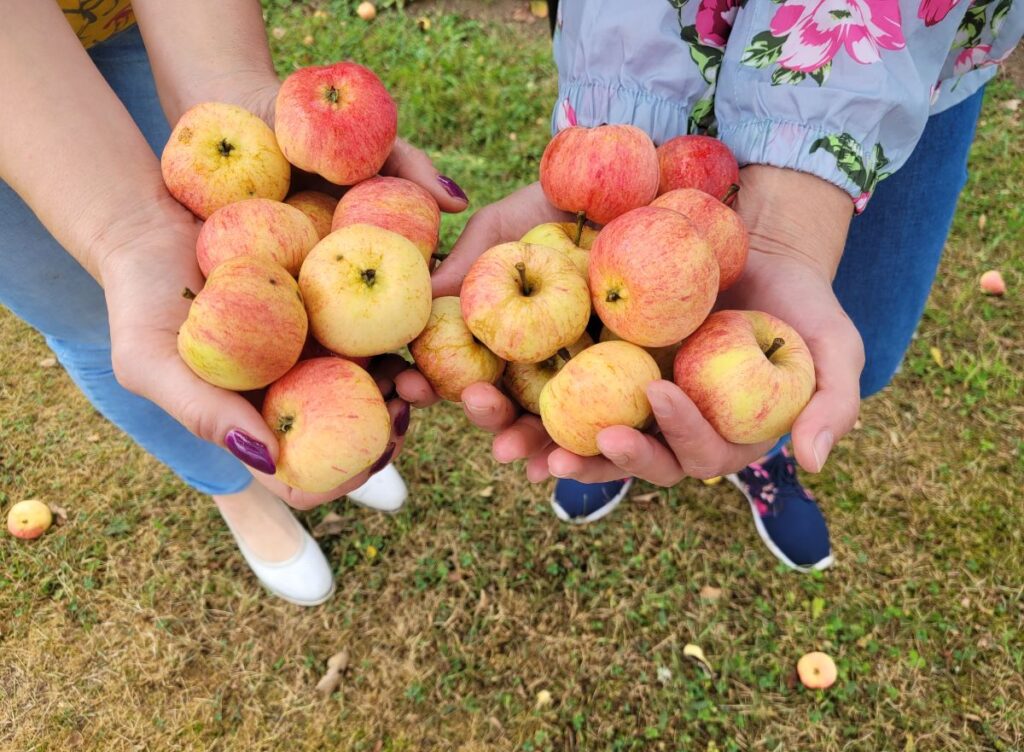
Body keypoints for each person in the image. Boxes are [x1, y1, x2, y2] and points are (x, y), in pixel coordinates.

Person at [399, 0, 1023, 572]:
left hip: (905, 78)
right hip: (630, 59)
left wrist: (795, 208)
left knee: (864, 344)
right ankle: (620, 429)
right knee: (650, 389)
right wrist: (626, 136)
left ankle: (763, 448)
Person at [0, 2, 470, 605]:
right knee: (99, 319)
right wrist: (126, 231)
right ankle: (235, 488)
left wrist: (231, 88)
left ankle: (306, 435)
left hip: (123, 20)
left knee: (206, 157)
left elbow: (229, 126)